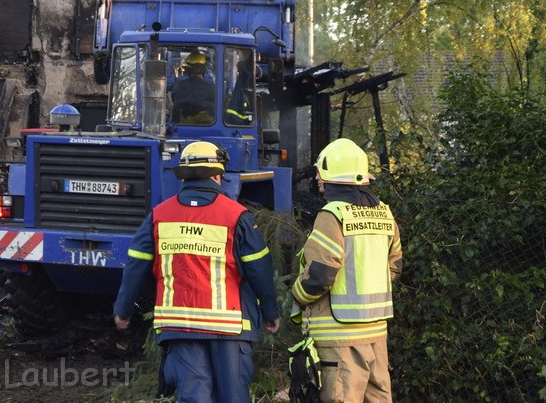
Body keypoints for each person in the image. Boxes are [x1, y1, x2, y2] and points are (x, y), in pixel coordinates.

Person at [113, 141, 280, 403]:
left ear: (184, 175)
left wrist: (122, 310)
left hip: (181, 325)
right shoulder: (237, 216)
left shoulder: (159, 215)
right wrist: (271, 312)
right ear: (217, 175)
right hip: (228, 328)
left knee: (194, 396)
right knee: (233, 397)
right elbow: (259, 270)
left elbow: (135, 265)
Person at [291, 138, 403, 403]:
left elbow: (320, 275)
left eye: (320, 173)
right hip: (376, 333)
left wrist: (297, 296)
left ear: (330, 176)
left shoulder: (332, 215)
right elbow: (395, 265)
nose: (317, 179)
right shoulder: (385, 214)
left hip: (339, 337)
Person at [170, 52, 216, 124]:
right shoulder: (211, 88)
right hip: (206, 128)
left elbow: (174, 101)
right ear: (204, 68)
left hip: (180, 129)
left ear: (188, 68)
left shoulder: (178, 86)